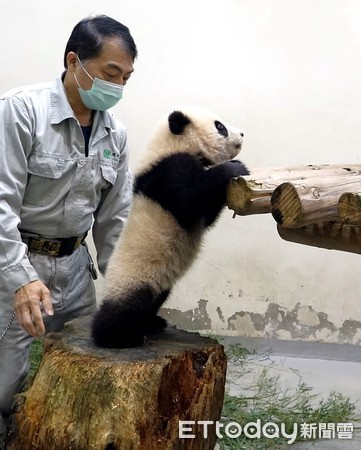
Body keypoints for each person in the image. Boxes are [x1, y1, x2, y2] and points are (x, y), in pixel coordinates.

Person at [0, 14, 137, 446]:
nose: (117, 86)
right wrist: (21, 281)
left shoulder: (115, 133)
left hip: (77, 270)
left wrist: (124, 295)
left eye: (127, 78)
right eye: (110, 74)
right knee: (6, 377)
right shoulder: (22, 111)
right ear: (74, 60)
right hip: (20, 264)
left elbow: (116, 217)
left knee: (87, 367)